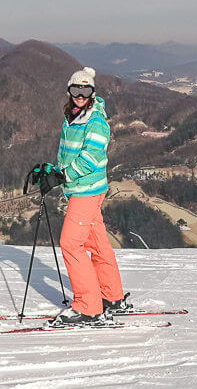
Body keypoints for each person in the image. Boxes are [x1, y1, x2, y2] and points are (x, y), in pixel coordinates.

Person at [29, 67, 133, 326]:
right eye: (76, 89)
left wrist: (62, 177)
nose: (80, 95)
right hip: (84, 188)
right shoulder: (73, 116)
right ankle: (111, 297)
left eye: (85, 90)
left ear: (92, 92)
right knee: (96, 243)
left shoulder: (96, 121)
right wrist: (51, 171)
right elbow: (69, 155)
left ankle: (88, 306)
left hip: (87, 190)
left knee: (71, 244)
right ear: (69, 91)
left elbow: (89, 159)